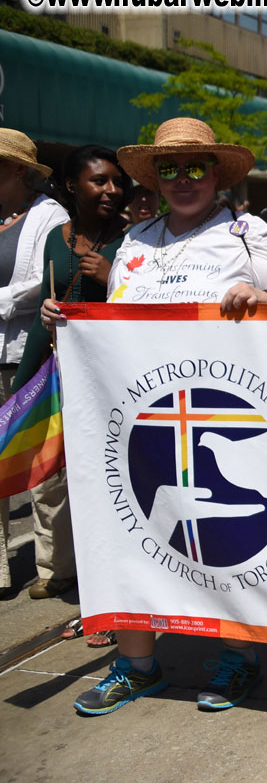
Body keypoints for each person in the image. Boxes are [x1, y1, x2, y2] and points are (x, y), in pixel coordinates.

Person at [52, 117, 267, 716]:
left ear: (217, 172)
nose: (183, 179)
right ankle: (137, 665)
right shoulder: (136, 239)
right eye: (169, 168)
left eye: (196, 166)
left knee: (220, 541)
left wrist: (263, 299)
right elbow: (115, 328)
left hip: (223, 417)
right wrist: (66, 321)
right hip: (141, 423)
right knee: (134, 533)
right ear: (155, 177)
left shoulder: (250, 234)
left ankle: (236, 658)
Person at [15, 145, 133, 604]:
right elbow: (44, 311)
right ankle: (57, 567)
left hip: (114, 383)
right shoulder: (55, 240)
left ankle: (109, 578)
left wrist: (112, 279)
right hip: (61, 375)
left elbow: (151, 314)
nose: (111, 189)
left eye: (117, 182)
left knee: (106, 479)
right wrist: (22, 390)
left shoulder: (133, 239)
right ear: (71, 186)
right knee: (50, 477)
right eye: (99, 180)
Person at [0, 129, 69, 601]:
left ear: (19, 169)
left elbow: (41, 282)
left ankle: (54, 564)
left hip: (29, 352)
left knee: (40, 463)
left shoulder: (50, 217)